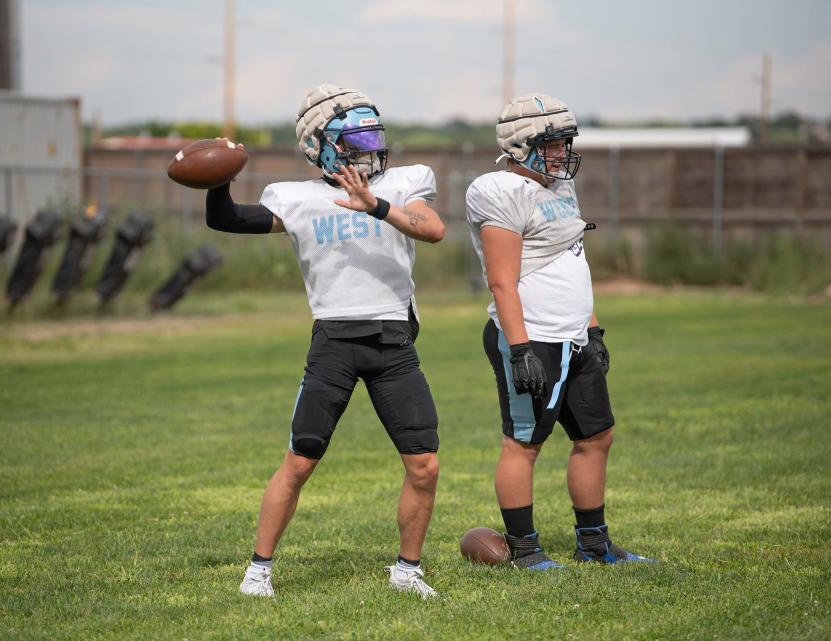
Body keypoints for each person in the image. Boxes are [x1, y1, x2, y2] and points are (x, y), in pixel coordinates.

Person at [204, 84, 445, 598]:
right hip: (334, 341)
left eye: (372, 134)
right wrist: (219, 179)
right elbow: (225, 219)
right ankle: (258, 571)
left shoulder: (403, 184)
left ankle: (407, 570)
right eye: (355, 138)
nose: (369, 147)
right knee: (300, 460)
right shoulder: (297, 197)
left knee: (424, 463)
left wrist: (375, 206)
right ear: (322, 146)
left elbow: (432, 229)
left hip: (393, 341)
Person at [465, 94, 653, 569]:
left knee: (597, 435)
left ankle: (593, 544)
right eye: (552, 142)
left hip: (573, 334)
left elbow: (575, 259)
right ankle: (525, 549)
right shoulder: (499, 190)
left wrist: (593, 329)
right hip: (532, 337)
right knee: (524, 443)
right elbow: (502, 280)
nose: (562, 150)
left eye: (565, 140)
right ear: (520, 143)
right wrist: (521, 347)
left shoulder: (560, 187)